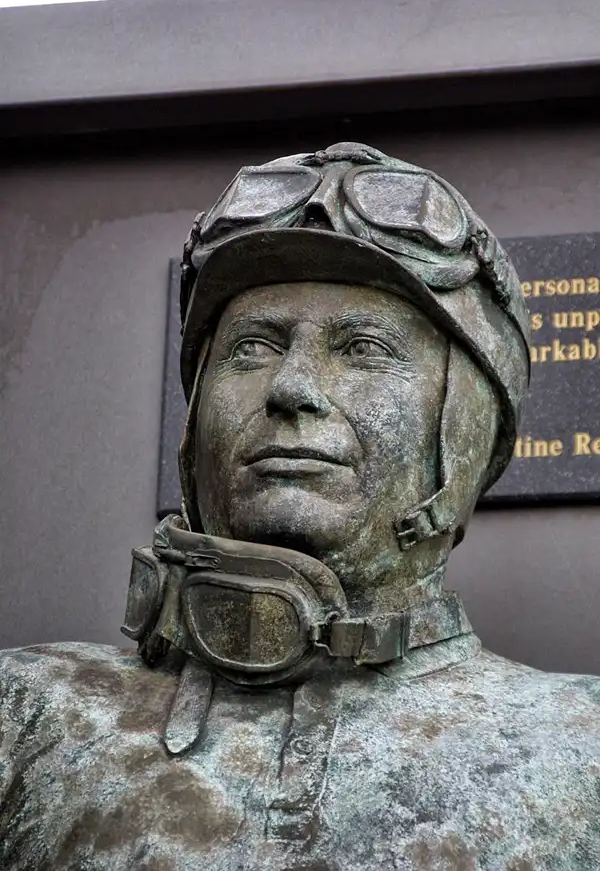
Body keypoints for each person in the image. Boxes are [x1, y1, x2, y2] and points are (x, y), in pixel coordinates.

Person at [1, 142, 599, 871]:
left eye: (364, 348)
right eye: (252, 347)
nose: (291, 387)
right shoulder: (29, 716)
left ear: (468, 431)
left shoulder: (582, 745)